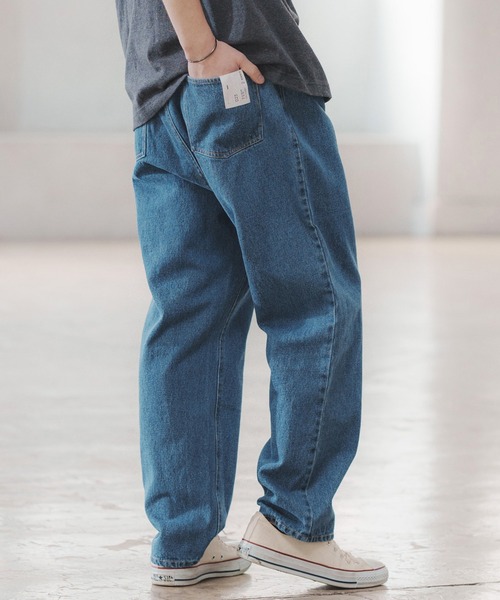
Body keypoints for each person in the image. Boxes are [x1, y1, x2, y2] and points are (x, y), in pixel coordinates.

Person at [115, 0, 388, 590]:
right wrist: (202, 49)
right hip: (244, 73)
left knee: (189, 317)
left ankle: (185, 538)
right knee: (316, 302)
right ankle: (295, 518)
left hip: (157, 94)